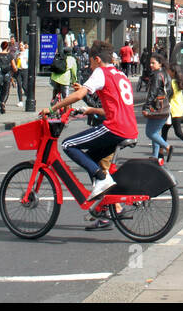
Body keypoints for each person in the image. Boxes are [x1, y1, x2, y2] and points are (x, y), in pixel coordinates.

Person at [41, 40, 138, 200]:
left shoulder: (101, 72)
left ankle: (102, 179)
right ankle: (103, 208)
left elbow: (79, 95)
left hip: (114, 127)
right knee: (91, 159)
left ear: (97, 59)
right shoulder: (121, 74)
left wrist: (52, 109)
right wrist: (90, 110)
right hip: (129, 127)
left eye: (91, 62)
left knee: (68, 144)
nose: (90, 66)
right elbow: (111, 110)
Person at [139, 55, 171, 161]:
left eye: (153, 63)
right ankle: (155, 156)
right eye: (150, 63)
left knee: (150, 132)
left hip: (156, 108)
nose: (151, 65)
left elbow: (152, 93)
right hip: (164, 108)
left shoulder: (157, 75)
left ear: (160, 63)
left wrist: (146, 107)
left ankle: (167, 147)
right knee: (155, 132)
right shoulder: (166, 73)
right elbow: (170, 91)